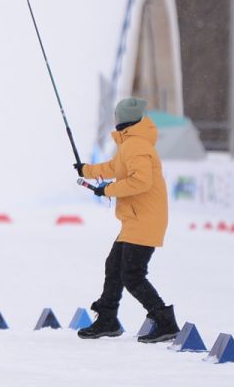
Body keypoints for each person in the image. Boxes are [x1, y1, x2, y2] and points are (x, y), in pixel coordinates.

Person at [72, 97, 180, 343]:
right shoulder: (131, 144)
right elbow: (115, 167)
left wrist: (107, 190)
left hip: (144, 220)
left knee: (132, 274)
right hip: (136, 220)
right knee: (114, 266)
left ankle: (165, 321)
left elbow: (141, 181)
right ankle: (107, 319)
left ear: (123, 120)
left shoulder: (136, 146)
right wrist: (87, 170)